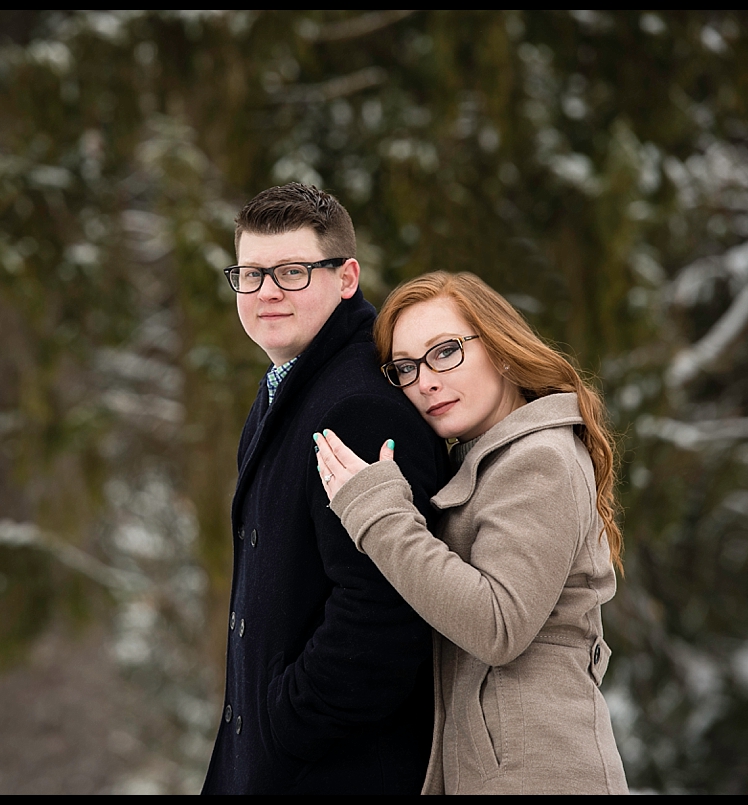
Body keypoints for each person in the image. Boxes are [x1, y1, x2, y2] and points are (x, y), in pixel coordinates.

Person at [313, 270, 629, 795]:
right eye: (406, 368)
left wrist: (378, 514)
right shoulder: (492, 461)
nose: (425, 382)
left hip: (543, 775)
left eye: (445, 352)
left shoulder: (538, 460)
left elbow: (497, 626)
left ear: (501, 350)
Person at [201, 184, 451, 794]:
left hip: (334, 769)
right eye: (251, 274)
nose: (267, 292)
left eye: (291, 271)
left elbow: (385, 611)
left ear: (346, 277)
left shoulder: (362, 404)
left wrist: (287, 721)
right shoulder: (287, 389)